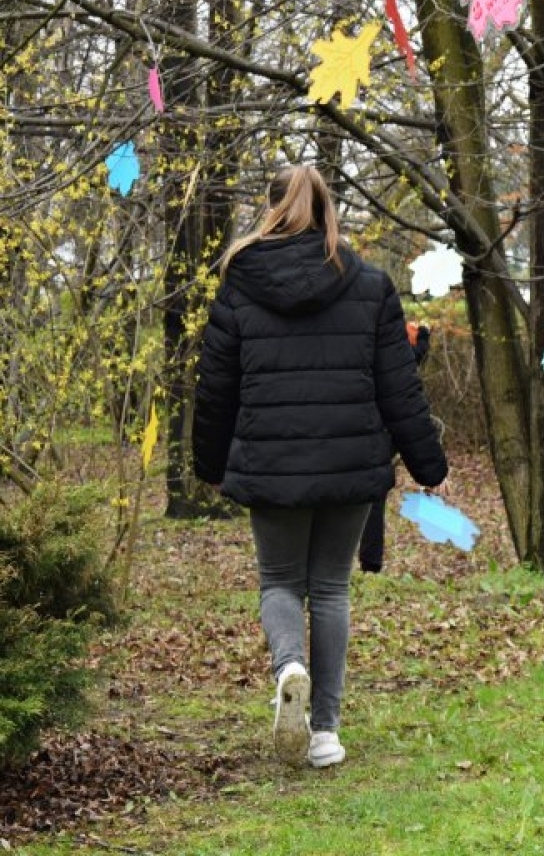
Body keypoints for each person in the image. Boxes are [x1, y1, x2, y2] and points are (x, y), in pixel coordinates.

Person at [192, 165, 448, 768]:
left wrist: (207, 462)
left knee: (279, 582)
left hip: (271, 461)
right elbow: (399, 386)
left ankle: (290, 667)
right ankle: (326, 731)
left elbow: (215, 388)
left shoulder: (239, 284)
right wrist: (428, 464)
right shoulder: (368, 284)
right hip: (349, 463)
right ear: (330, 210)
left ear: (272, 209)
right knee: (330, 590)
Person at [357, 319, 432, 575]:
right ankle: (370, 562)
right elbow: (406, 365)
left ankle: (359, 561)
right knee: (373, 496)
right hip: (381, 432)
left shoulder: (361, 340)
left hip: (359, 427)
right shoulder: (396, 349)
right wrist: (423, 339)